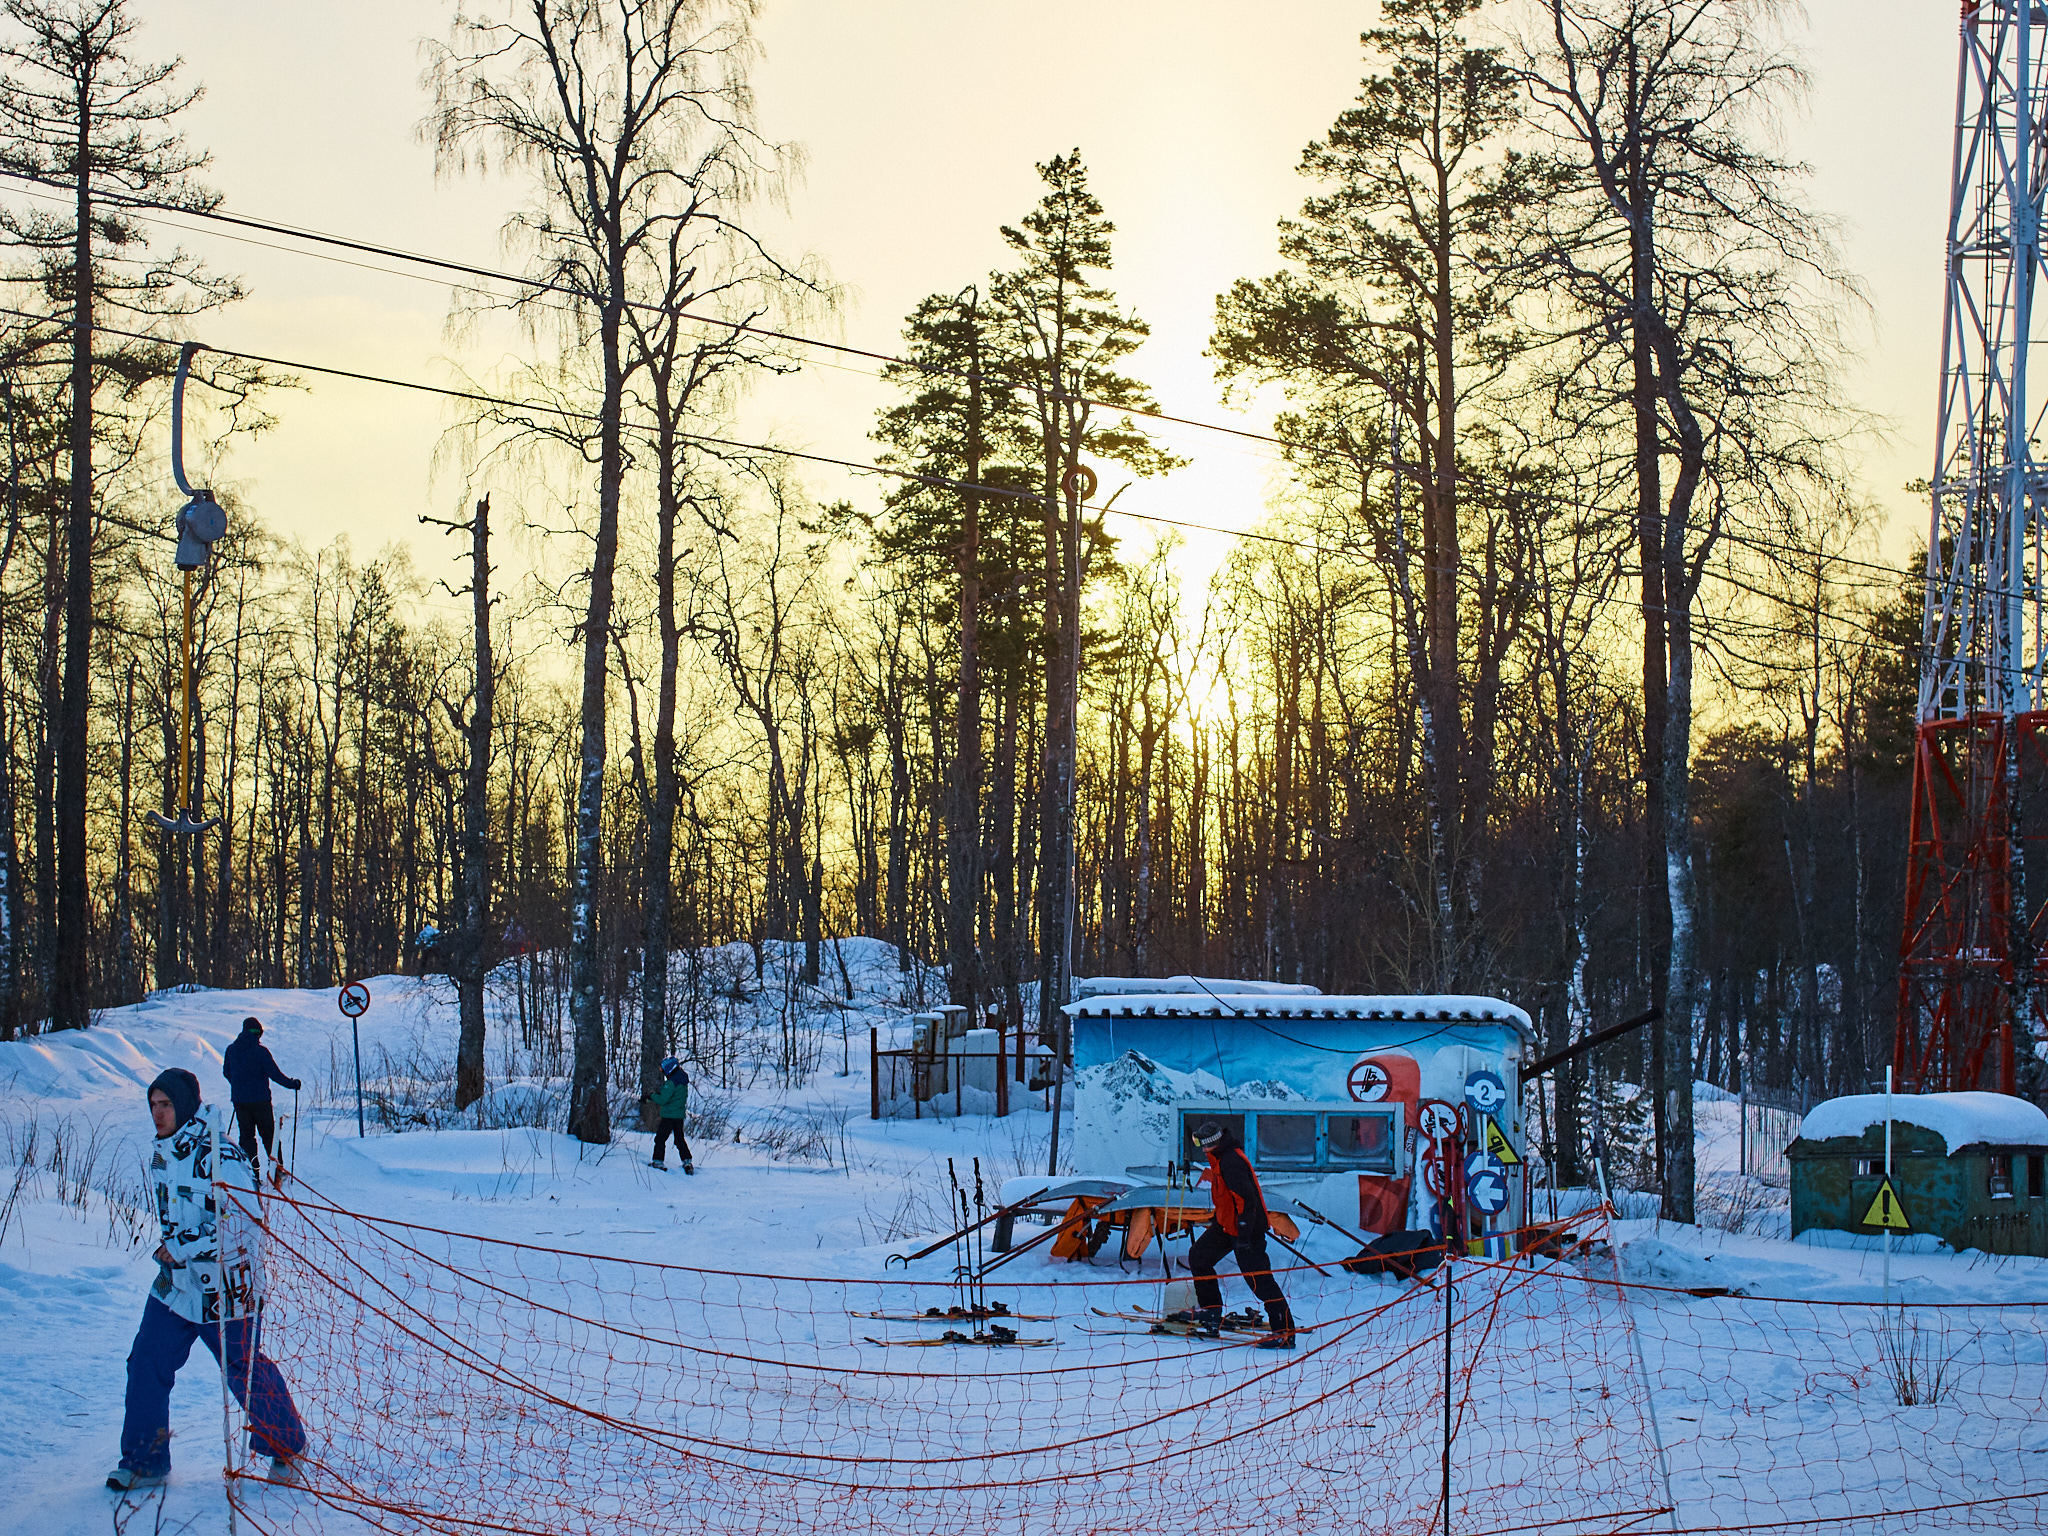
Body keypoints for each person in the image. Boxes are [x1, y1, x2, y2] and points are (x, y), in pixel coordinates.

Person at [107, 1068, 308, 1492]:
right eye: (153, 1105)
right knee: (146, 1361)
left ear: (185, 1105)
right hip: (177, 1285)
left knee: (243, 1368)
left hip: (227, 1286)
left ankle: (285, 1449)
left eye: (166, 1105)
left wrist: (181, 1245)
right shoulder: (164, 1151)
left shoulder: (220, 1153)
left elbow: (245, 1221)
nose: (158, 1114)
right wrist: (176, 1252)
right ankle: (144, 1461)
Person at [1174, 1120, 1297, 1348]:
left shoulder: (1231, 1161)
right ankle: (1211, 1313)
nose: (1200, 1147)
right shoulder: (1220, 1157)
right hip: (1226, 1226)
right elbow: (1226, 1196)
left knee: (1259, 1279)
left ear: (1212, 1143)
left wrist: (1243, 1235)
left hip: (1247, 1229)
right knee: (1199, 1257)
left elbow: (1247, 1201)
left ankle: (1284, 1331)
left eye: (1201, 1142)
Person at [222, 1017, 301, 1181]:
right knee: (269, 1135)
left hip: (240, 1101)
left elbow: (226, 1072)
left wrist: (238, 1085)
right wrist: (292, 1084)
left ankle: (252, 1173)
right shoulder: (261, 1052)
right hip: (260, 1101)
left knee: (246, 1137)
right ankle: (276, 1171)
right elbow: (275, 1074)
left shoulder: (231, 1050)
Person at [640, 1056, 694, 1174]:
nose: (663, 1073)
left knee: (660, 1138)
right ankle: (687, 1161)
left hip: (669, 1116)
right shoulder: (682, 1081)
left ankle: (658, 1161)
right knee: (679, 1139)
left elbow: (663, 1099)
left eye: (663, 1070)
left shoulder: (671, 1083)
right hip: (679, 1116)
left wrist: (651, 1096)